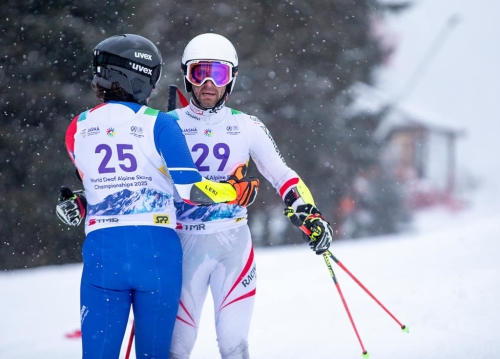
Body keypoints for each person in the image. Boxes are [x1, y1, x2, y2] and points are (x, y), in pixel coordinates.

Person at [56, 33, 258, 359]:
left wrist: (79, 201)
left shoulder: (76, 127)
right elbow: (191, 190)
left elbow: (98, 185)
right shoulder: (161, 124)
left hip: (102, 253)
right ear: (139, 77)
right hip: (157, 252)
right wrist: (232, 190)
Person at [167, 33, 334, 359]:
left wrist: (309, 213)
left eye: (219, 74)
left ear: (232, 79)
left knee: (234, 345)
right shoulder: (167, 124)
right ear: (187, 76)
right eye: (200, 73)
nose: (209, 84)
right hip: (181, 245)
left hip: (233, 246)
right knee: (176, 348)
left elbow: (283, 175)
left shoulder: (246, 126)